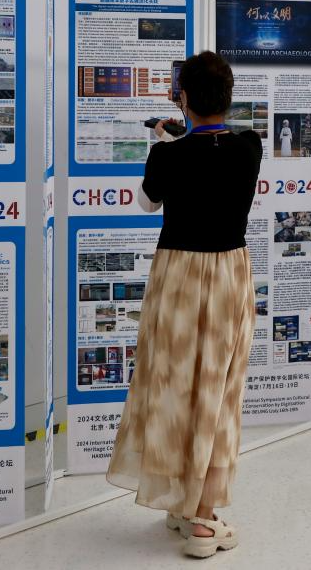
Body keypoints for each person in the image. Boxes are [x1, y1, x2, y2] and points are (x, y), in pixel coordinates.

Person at [106, 51, 262, 557]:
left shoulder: (166, 156)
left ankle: (187, 506)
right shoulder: (249, 147)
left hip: (176, 276)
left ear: (184, 97)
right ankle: (202, 514)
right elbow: (216, 146)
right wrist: (182, 137)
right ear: (228, 97)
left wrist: (166, 141)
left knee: (172, 387)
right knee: (218, 390)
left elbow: (148, 202)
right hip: (228, 274)